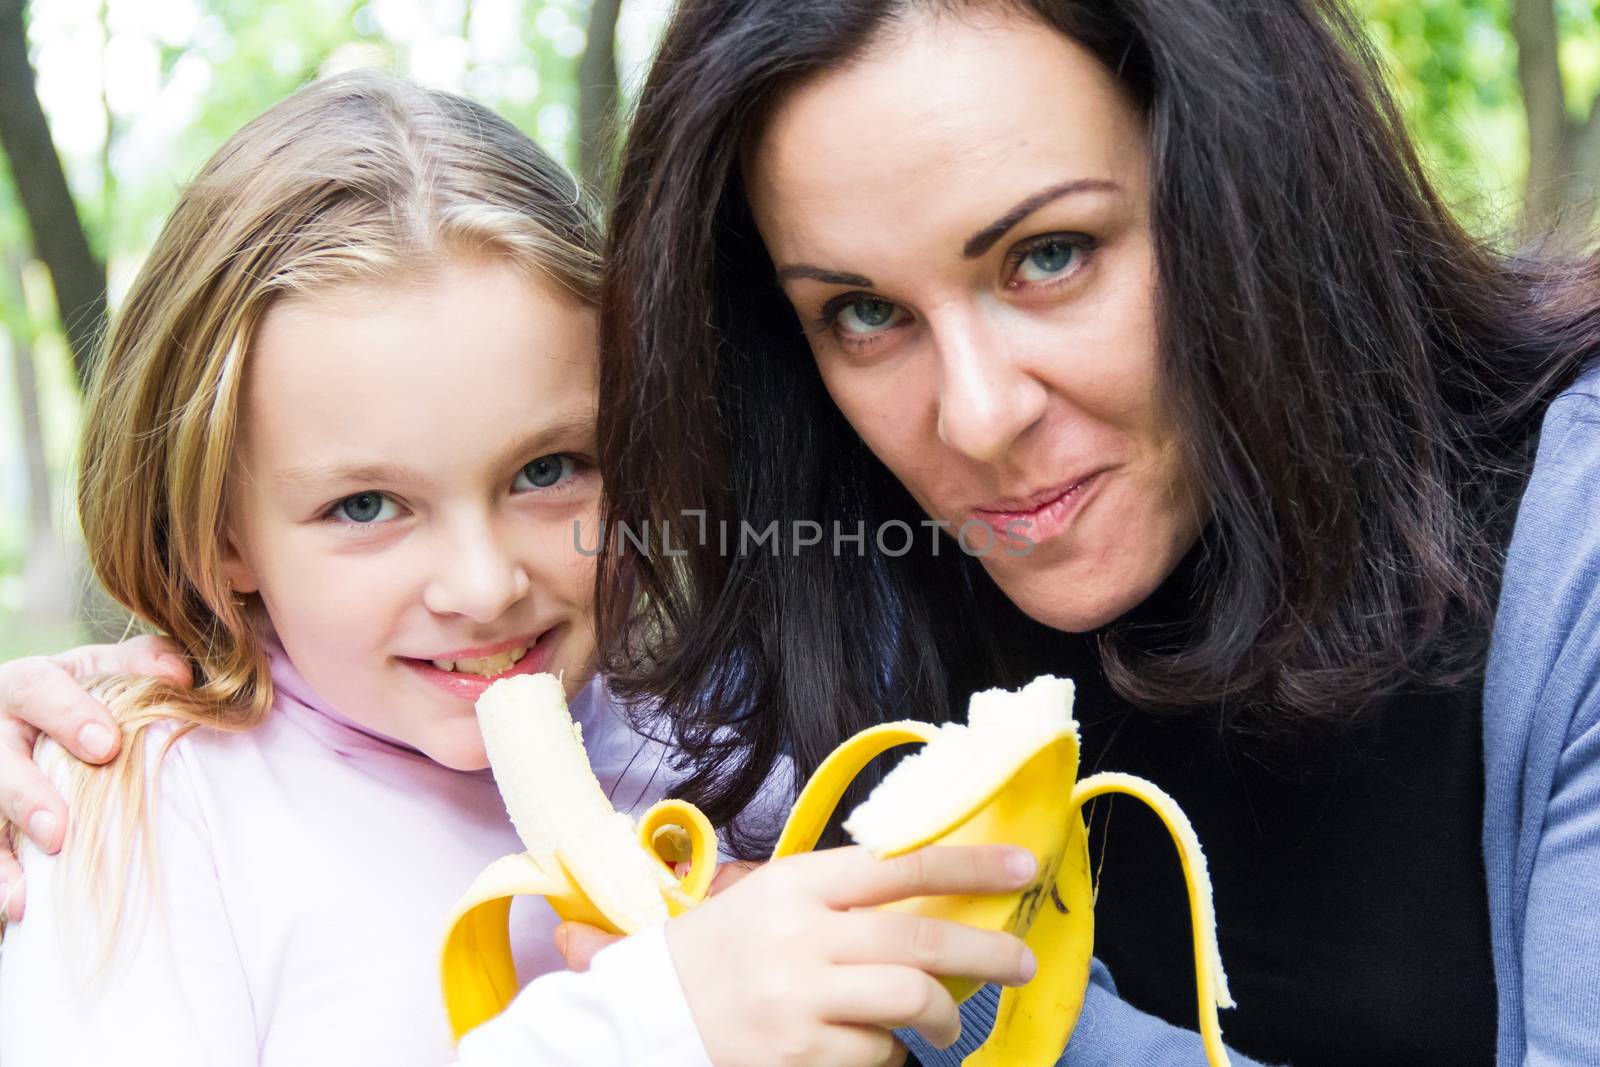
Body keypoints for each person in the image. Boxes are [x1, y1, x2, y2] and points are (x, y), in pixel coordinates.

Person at [7, 1, 1600, 1065]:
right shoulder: (806, 652)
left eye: (1050, 255)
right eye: (856, 311)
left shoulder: (698, 750)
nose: (974, 415)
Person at [0, 70, 1036, 1067]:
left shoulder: (718, 761)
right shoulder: (143, 811)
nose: (485, 584)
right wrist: (655, 1029)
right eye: (365, 505)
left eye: (547, 469)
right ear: (220, 531)